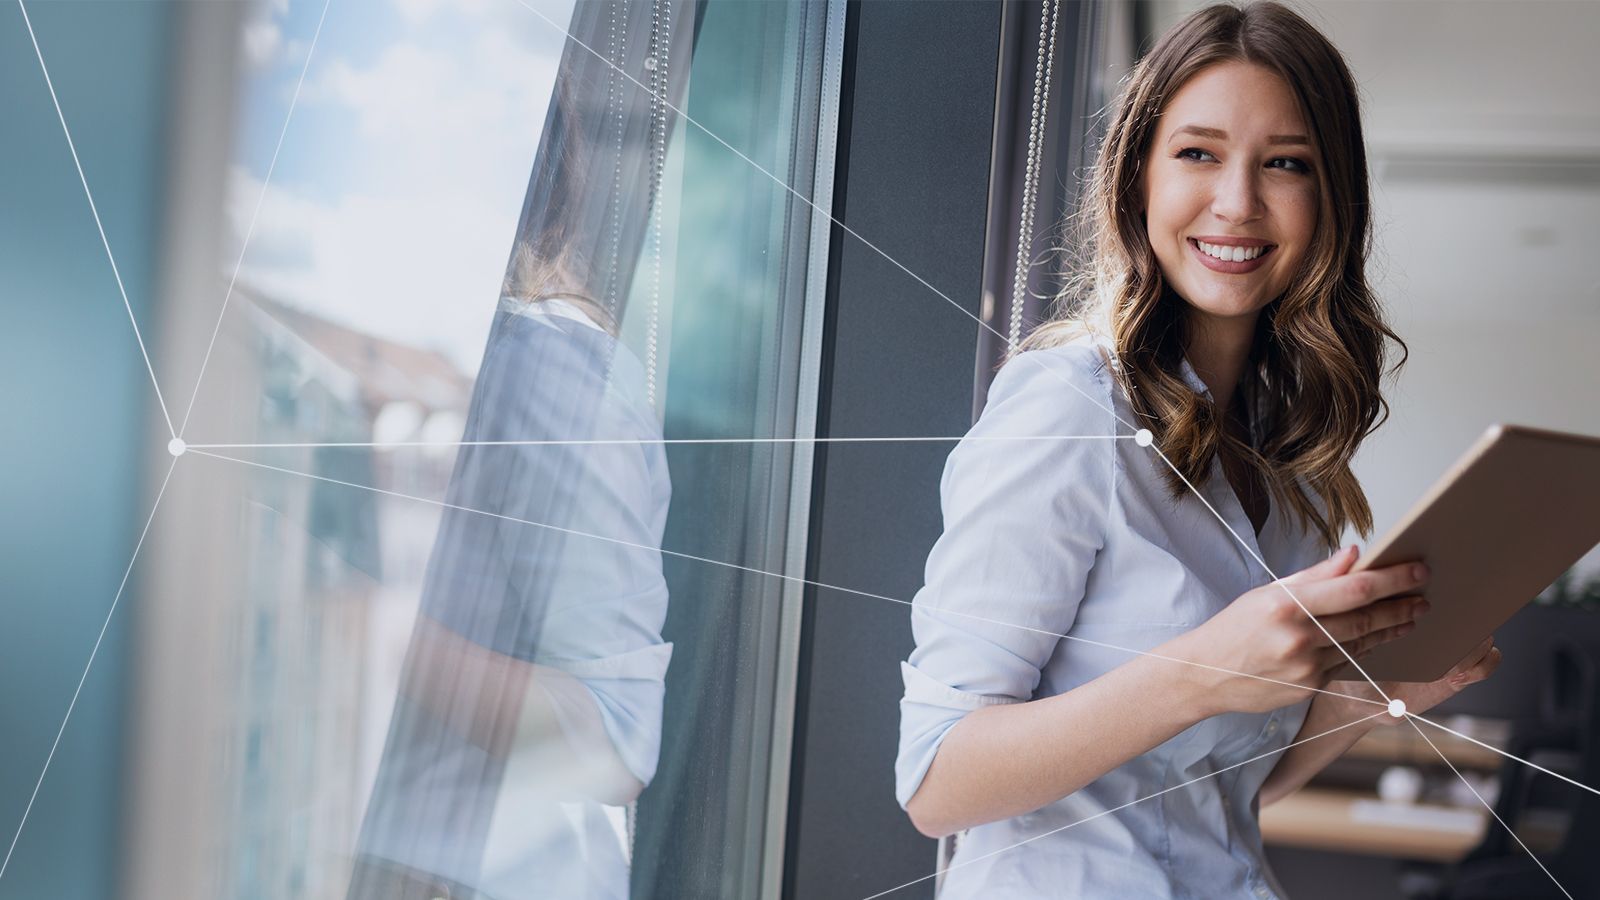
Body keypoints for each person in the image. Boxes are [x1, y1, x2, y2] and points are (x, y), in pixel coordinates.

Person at [895, 4, 1501, 897]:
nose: (1238, 202)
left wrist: (1368, 696)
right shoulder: (1070, 405)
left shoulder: (1290, 455)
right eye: (1198, 153)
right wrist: (1199, 675)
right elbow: (937, 783)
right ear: (1138, 174)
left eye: (1285, 164)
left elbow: (1222, 791)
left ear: (1331, 198)